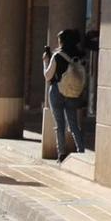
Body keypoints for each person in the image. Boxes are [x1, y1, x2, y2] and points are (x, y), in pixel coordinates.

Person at [44, 28, 88, 158]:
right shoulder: (79, 56)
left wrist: (45, 61)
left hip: (57, 90)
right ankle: (81, 151)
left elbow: (47, 76)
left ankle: (61, 153)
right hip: (73, 92)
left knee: (60, 124)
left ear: (62, 41)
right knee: (73, 124)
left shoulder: (57, 56)